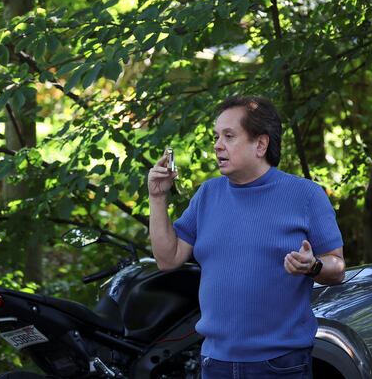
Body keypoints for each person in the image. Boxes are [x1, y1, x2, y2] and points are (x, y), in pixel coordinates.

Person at [147, 96, 345, 379]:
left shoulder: (306, 195)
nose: (218, 145)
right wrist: (157, 198)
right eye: (216, 136)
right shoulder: (208, 195)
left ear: (260, 144)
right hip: (215, 363)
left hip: (281, 365)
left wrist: (313, 265)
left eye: (229, 136)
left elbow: (337, 268)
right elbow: (168, 259)